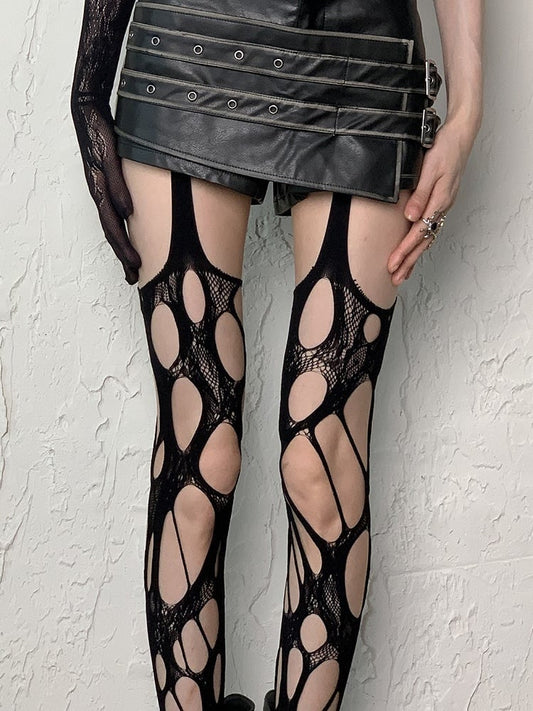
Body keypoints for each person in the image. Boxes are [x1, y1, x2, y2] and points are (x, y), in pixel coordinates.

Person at [70, 0, 483, 709]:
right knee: (200, 453)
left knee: (322, 458)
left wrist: (467, 110)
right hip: (188, 42)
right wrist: (88, 85)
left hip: (362, 55)